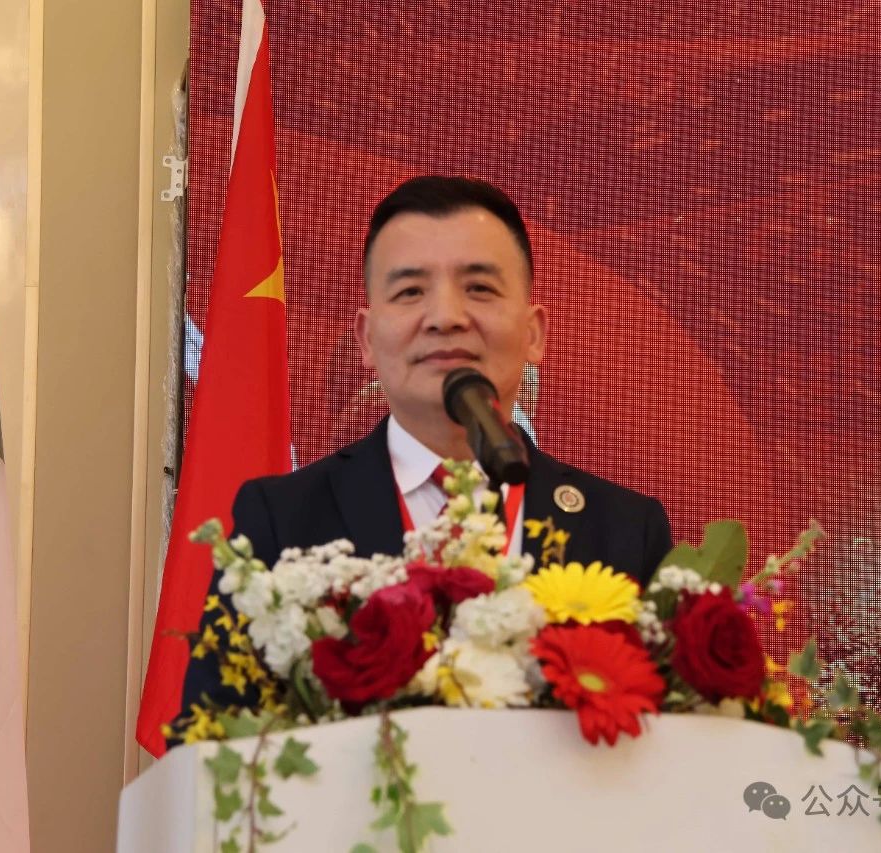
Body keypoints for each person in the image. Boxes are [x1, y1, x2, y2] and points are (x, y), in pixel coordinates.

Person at [177, 176, 672, 720]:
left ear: (535, 333)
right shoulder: (282, 519)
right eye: (410, 292)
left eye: (479, 288)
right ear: (366, 339)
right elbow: (212, 734)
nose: (445, 317)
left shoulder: (624, 530)